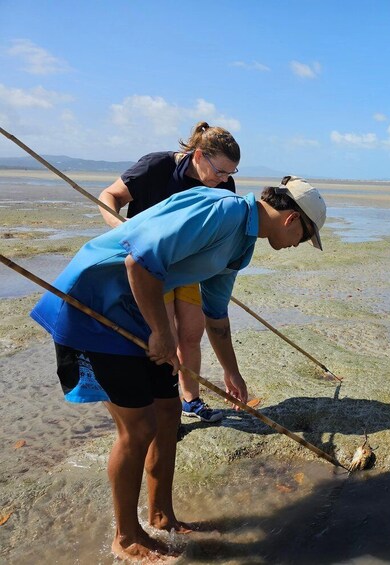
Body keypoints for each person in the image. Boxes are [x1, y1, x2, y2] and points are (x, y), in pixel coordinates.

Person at [31, 176, 326, 562]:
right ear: (291, 220)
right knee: (138, 427)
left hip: (136, 311)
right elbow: (139, 262)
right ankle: (126, 536)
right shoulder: (226, 211)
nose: (297, 246)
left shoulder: (241, 247)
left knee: (168, 414)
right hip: (96, 304)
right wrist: (161, 332)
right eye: (305, 238)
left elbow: (216, 316)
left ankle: (161, 515)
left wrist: (231, 373)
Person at [98, 121, 240, 424]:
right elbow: (109, 197)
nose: (225, 180)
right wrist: (125, 231)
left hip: (186, 267)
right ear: (199, 156)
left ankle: (191, 401)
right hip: (148, 267)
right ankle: (166, 407)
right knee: (166, 335)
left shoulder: (222, 184)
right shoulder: (156, 166)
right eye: (220, 171)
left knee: (191, 333)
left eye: (231, 173)